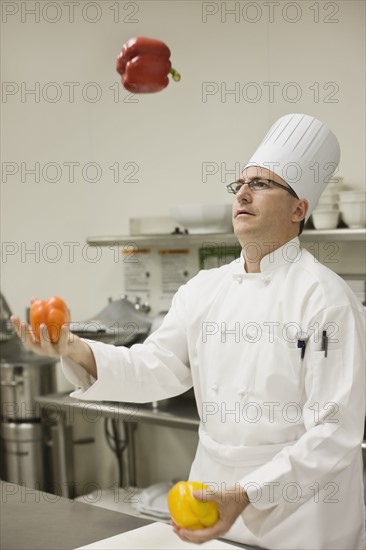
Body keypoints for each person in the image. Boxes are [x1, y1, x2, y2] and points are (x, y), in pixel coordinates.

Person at [12, 113, 365, 550]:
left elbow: (335, 432)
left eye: (261, 184)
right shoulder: (205, 289)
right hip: (209, 512)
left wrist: (250, 493)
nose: (243, 194)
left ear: (299, 210)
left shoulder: (326, 299)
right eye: (239, 185)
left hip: (302, 524)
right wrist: (74, 348)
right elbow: (154, 368)